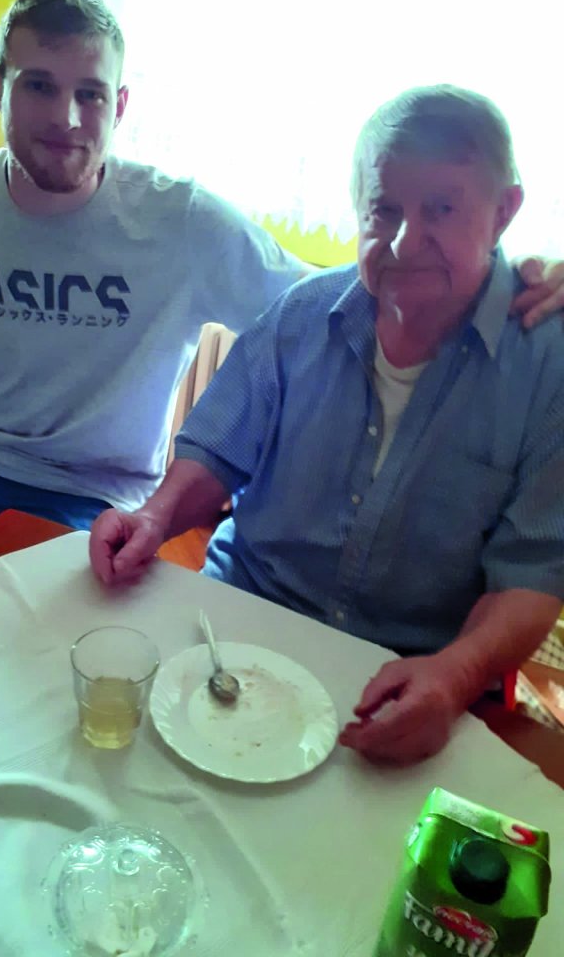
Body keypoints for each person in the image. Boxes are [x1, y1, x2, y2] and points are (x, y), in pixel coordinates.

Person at [0, 0, 559, 632]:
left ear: (119, 103)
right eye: (39, 86)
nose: (67, 118)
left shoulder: (180, 220)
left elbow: (348, 290)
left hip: (85, 491)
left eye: (90, 94)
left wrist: (515, 267)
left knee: (43, 643)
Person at [90, 85, 564, 766]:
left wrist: (456, 675)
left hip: (407, 674)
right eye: (385, 209)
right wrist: (154, 517)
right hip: (239, 627)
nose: (405, 241)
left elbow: (534, 573)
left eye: (441, 208)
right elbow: (216, 449)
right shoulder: (301, 315)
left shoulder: (549, 365)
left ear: (505, 211)